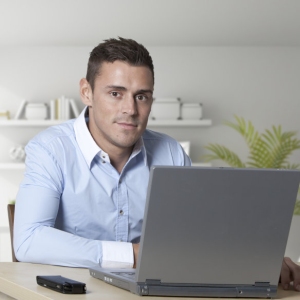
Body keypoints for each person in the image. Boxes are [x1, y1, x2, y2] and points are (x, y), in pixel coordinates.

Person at [14, 37, 300, 291]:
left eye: (142, 96)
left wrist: (259, 262)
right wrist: (135, 255)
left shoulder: (171, 152)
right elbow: (28, 240)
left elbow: (199, 236)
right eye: (115, 93)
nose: (130, 109)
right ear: (86, 92)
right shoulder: (51, 149)